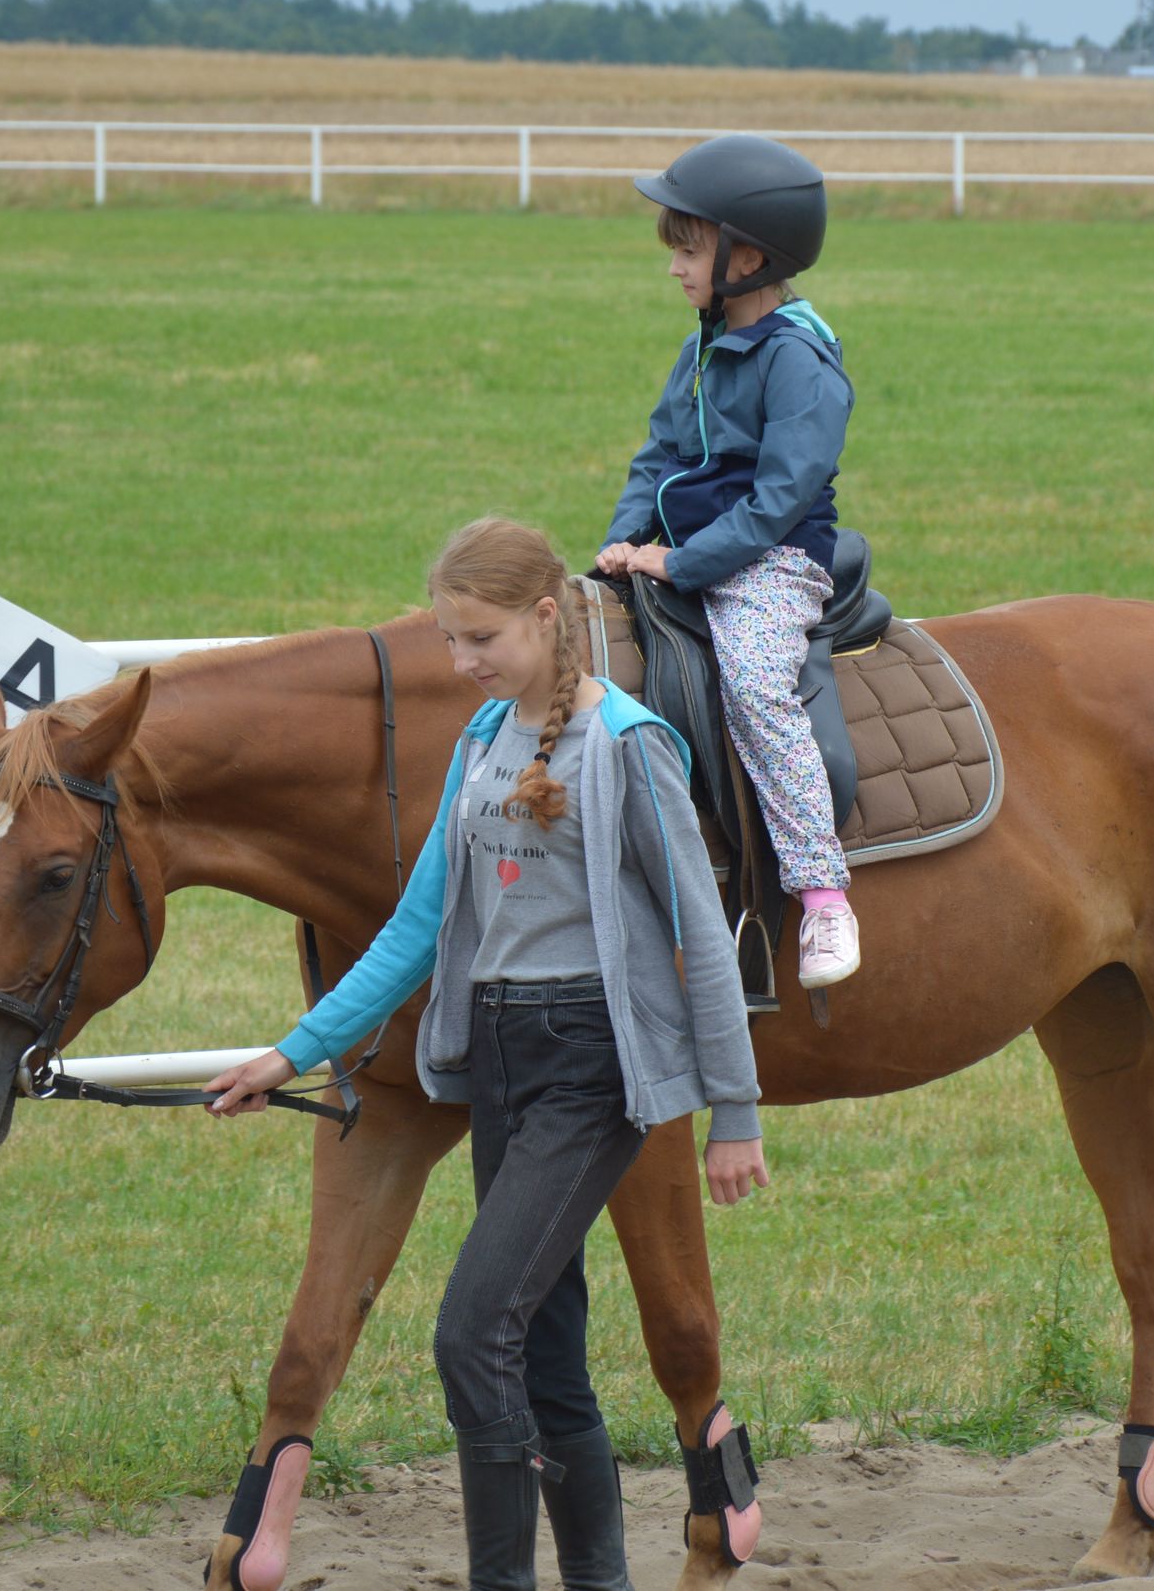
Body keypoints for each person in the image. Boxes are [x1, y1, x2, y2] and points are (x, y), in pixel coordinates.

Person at [206, 516, 768, 1591]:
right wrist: (292, 1053)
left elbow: (702, 935)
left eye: (480, 638)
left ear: (546, 618)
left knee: (472, 1333)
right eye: (449, 639)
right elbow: (416, 928)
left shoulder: (630, 744)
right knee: (544, 1356)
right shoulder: (481, 741)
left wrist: (733, 1113)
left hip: (591, 1067)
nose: (460, 661)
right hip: (500, 1063)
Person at [596, 133, 863, 987]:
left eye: (689, 249)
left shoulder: (799, 361)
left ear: (748, 257)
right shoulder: (700, 351)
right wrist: (622, 541)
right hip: (683, 550)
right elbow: (658, 455)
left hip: (773, 563)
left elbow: (778, 502)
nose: (675, 267)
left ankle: (822, 893)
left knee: (751, 684)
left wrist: (681, 564)